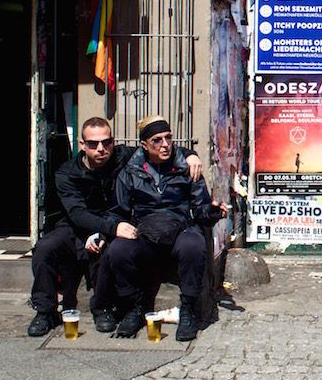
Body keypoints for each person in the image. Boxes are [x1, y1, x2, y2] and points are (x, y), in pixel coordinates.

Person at [27, 117, 203, 337]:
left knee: (112, 249)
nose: (101, 148)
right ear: (82, 145)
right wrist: (111, 227)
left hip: (113, 221)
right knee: (45, 248)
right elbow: (77, 213)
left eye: (107, 142)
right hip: (78, 225)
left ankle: (104, 308)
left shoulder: (122, 155)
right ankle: (45, 311)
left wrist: (190, 155)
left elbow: (158, 146)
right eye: (93, 144)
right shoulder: (67, 173)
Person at [106, 116, 226, 341]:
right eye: (157, 140)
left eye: (168, 138)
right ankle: (134, 306)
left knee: (194, 243)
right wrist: (117, 226)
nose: (165, 144)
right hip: (145, 232)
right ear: (144, 145)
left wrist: (213, 212)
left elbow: (201, 210)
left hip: (179, 228)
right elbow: (116, 211)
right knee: (118, 250)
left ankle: (189, 308)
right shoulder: (130, 172)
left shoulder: (187, 168)